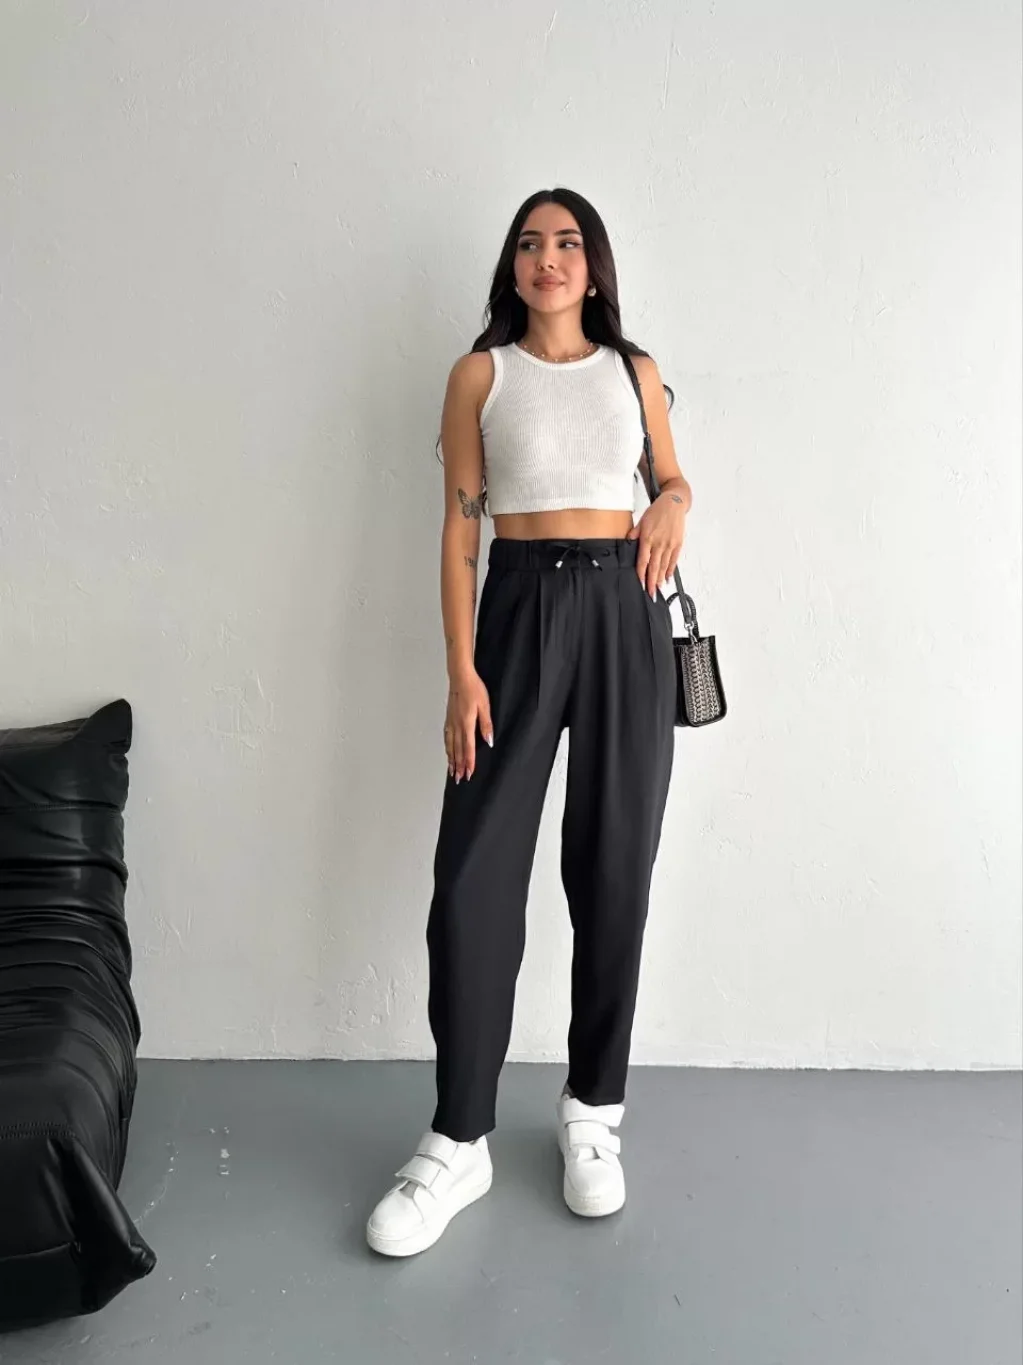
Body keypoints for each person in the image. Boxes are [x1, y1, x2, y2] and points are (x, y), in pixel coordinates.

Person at [366, 187, 692, 1258]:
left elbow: (670, 476)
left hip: (624, 613)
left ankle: (593, 1112)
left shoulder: (634, 372)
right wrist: (460, 669)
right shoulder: (481, 376)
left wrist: (675, 499)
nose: (547, 258)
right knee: (472, 876)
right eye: (529, 243)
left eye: (567, 243)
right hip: (514, 608)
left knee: (614, 866)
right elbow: (460, 531)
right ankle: (460, 1136)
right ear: (513, 268)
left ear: (593, 267)